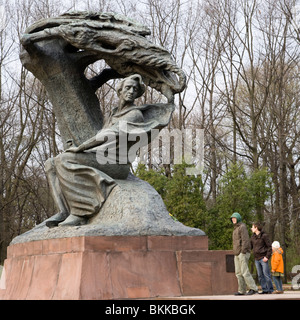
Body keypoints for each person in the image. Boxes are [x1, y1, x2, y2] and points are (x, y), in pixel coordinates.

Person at [45, 74, 174, 227]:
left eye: (135, 89)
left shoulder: (134, 115)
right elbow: (100, 136)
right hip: (102, 156)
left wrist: (81, 148)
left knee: (64, 159)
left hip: (117, 164)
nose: (131, 91)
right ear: (120, 90)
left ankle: (80, 213)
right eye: (128, 87)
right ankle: (63, 211)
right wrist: (79, 148)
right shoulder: (114, 113)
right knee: (50, 164)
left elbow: (108, 136)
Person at [230, 212, 258, 295]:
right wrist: (236, 252)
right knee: (238, 273)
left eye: (234, 218)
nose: (233, 219)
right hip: (237, 253)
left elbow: (245, 240)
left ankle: (254, 289)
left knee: (245, 272)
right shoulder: (235, 228)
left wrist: (243, 251)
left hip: (243, 252)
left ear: (238, 218)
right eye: (232, 218)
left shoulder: (242, 227)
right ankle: (242, 290)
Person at [250, 222, 273, 294]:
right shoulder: (252, 237)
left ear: (256, 228)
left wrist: (267, 257)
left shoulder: (264, 236)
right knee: (260, 275)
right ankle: (264, 289)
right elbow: (250, 247)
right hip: (256, 259)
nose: (251, 228)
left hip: (263, 258)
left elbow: (269, 247)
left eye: (252, 227)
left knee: (266, 275)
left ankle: (270, 289)